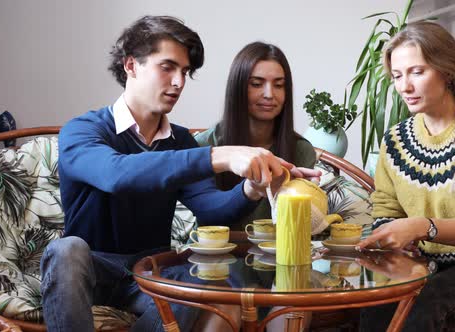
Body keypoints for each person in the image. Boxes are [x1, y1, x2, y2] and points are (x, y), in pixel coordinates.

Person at [40, 16, 310, 332]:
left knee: (216, 279)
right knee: (66, 249)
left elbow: (213, 210)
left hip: (151, 273)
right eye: (167, 67)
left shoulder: (180, 140)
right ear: (131, 65)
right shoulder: (82, 131)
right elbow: (117, 174)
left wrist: (253, 187)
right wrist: (218, 155)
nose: (179, 82)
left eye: (185, 72)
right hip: (92, 269)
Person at [355, 21, 455, 331]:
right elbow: (385, 211)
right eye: (397, 76)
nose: (405, 87)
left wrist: (421, 227)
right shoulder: (394, 140)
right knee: (375, 304)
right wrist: (392, 239)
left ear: (447, 71)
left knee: (425, 305)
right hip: (419, 265)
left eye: (417, 72)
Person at [195, 41, 318, 230]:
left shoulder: (301, 149)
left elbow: (302, 228)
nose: (269, 94)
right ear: (238, 88)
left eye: (279, 85)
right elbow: (205, 218)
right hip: (216, 255)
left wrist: (308, 201)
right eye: (256, 84)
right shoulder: (205, 146)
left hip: (279, 254)